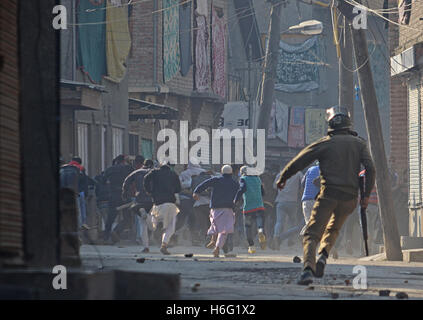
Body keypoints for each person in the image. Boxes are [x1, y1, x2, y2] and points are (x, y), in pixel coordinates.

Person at [276, 106, 375, 285]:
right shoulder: (359, 144)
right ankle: (322, 256)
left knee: (312, 234)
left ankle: (307, 269)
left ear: (330, 125)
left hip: (328, 194)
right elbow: (371, 168)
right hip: (350, 198)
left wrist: (284, 177)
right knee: (333, 229)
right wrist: (366, 195)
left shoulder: (325, 143)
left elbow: (300, 160)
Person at [192, 165, 239, 258]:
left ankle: (213, 239)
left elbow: (203, 184)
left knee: (215, 224)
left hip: (215, 208)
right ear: (231, 173)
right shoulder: (235, 183)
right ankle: (217, 248)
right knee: (224, 231)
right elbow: (239, 195)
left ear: (222, 172)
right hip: (227, 208)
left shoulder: (216, 180)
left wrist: (196, 192)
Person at [143, 161, 181, 255]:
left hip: (157, 203)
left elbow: (145, 178)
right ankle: (164, 245)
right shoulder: (173, 174)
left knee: (154, 223)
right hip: (170, 204)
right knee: (171, 227)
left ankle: (153, 235)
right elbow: (178, 189)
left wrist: (149, 191)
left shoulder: (154, 172)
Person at [122, 159, 154, 253]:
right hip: (152, 200)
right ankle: (148, 217)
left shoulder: (136, 172)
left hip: (139, 199)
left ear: (143, 165)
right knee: (152, 222)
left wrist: (124, 193)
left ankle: (146, 246)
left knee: (142, 224)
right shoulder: (155, 173)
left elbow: (126, 181)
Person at [234, 166, 266, 254]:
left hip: (248, 208)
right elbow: (263, 192)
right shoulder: (258, 179)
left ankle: (251, 247)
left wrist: (236, 199)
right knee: (260, 223)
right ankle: (261, 232)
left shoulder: (243, 179)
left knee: (248, 227)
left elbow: (242, 189)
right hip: (259, 206)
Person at [103, 155, 133, 243]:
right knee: (128, 219)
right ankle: (116, 231)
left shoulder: (109, 169)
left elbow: (103, 181)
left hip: (113, 195)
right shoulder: (128, 168)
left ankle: (106, 237)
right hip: (125, 196)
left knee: (110, 218)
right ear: (124, 161)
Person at [271, 169, 303, 250]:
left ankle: (276, 236)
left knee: (279, 221)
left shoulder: (280, 174)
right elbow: (303, 182)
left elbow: (274, 186)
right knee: (293, 222)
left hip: (280, 201)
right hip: (292, 202)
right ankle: (290, 239)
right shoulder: (298, 173)